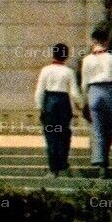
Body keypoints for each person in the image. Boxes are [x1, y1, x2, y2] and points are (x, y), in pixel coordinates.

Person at [35, 42, 83, 178]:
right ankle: (63, 163)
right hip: (63, 103)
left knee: (51, 136)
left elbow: (39, 91)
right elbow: (74, 93)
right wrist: (81, 105)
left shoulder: (46, 70)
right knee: (63, 134)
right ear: (66, 56)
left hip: (50, 103)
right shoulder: (69, 72)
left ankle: (53, 168)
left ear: (53, 54)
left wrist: (40, 108)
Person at [80, 31, 112, 178]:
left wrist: (85, 100)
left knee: (97, 128)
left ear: (93, 41)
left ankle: (100, 160)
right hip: (108, 91)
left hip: (93, 91)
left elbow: (84, 82)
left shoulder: (87, 60)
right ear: (106, 42)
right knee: (110, 128)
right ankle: (103, 159)